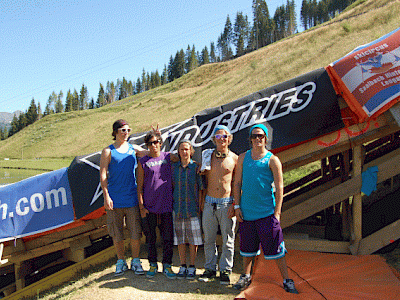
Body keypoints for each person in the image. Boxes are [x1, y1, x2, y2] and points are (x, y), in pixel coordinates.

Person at [232, 124, 298, 294]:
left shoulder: (272, 160)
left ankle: (286, 279)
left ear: (266, 138)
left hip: (267, 214)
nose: (257, 139)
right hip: (246, 213)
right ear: (250, 139)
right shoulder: (242, 158)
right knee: (247, 249)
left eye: (260, 136)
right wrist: (237, 206)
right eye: (254, 136)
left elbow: (280, 187)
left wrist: (277, 212)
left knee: (277, 249)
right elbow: (237, 183)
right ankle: (245, 276)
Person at [100, 119, 147, 276]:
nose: (126, 133)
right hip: (114, 199)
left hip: (132, 198)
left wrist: (158, 137)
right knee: (117, 233)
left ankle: (135, 261)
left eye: (128, 130)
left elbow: (152, 153)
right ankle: (121, 261)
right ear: (115, 132)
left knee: (135, 232)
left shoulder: (133, 149)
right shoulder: (108, 151)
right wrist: (106, 195)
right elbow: (103, 173)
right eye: (123, 130)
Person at [199, 125, 238, 285]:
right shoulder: (207, 157)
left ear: (229, 139)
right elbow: (202, 179)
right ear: (214, 139)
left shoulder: (234, 158)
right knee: (208, 239)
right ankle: (209, 268)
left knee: (228, 239)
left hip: (226, 202)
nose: (221, 139)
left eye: (224, 136)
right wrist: (202, 202)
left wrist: (235, 204)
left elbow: (237, 182)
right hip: (209, 202)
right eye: (218, 136)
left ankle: (225, 270)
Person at [137, 130, 178, 280]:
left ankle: (167, 265)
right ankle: (152, 264)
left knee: (167, 237)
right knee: (151, 238)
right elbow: (139, 187)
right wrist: (142, 207)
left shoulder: (168, 157)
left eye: (156, 142)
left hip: (166, 205)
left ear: (160, 143)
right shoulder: (143, 162)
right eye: (150, 143)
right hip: (149, 207)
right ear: (147, 146)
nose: (154, 145)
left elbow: (182, 157)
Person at [171, 140, 205, 280]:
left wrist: (200, 206)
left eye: (187, 149)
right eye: (181, 149)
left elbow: (201, 188)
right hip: (178, 208)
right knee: (180, 239)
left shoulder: (196, 168)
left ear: (191, 151)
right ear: (178, 152)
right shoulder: (174, 168)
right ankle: (182, 265)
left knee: (193, 240)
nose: (184, 152)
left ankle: (192, 266)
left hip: (192, 209)